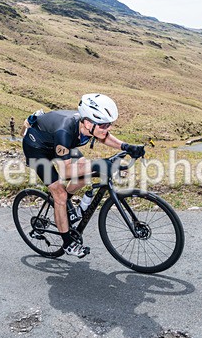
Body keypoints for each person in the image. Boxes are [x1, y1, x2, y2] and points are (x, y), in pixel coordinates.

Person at [21, 93, 144, 258]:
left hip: (59, 145)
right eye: (104, 125)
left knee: (85, 173)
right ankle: (67, 243)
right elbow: (65, 172)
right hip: (36, 149)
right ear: (88, 122)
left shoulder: (87, 128)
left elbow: (104, 137)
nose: (108, 129)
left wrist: (126, 146)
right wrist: (98, 164)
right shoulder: (65, 131)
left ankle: (67, 210)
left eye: (109, 124)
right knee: (59, 193)